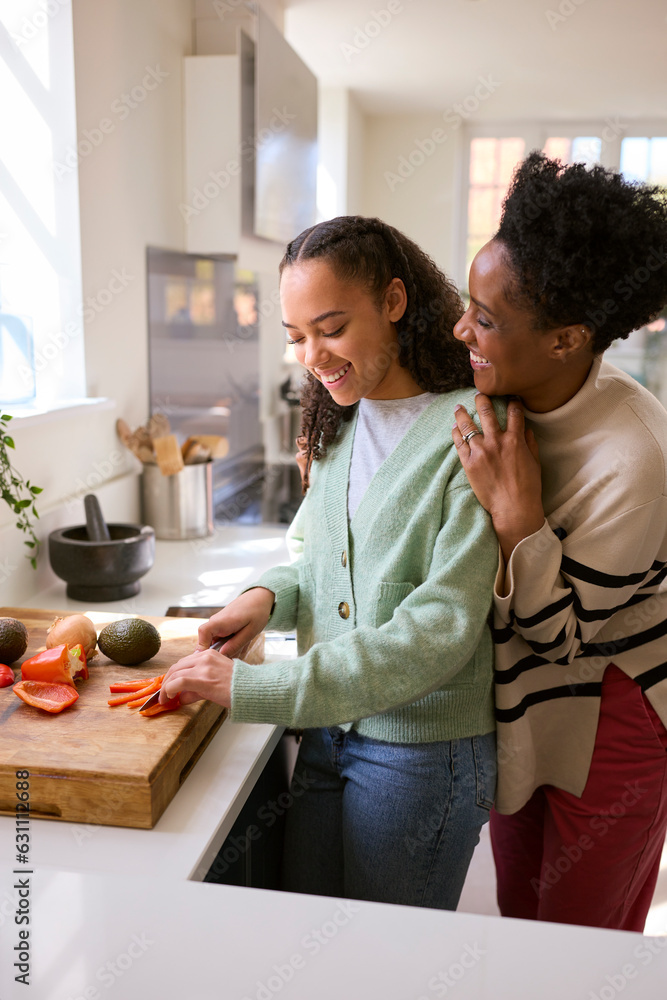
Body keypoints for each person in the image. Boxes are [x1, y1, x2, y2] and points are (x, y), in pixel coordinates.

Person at [161, 215, 502, 909]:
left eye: (331, 327)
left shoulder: (472, 427)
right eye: (295, 337)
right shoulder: (334, 426)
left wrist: (257, 689)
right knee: (307, 942)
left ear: (394, 303)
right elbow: (313, 559)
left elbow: (439, 627)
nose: (311, 355)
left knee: (383, 968)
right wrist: (264, 597)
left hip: (420, 752)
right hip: (329, 733)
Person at [451, 151, 667, 931]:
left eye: (486, 318)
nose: (460, 329)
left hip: (612, 706)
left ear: (567, 338)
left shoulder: (633, 455)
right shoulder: (496, 386)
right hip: (520, 701)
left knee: (582, 943)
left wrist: (519, 520)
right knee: (521, 919)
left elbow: (563, 636)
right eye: (467, 302)